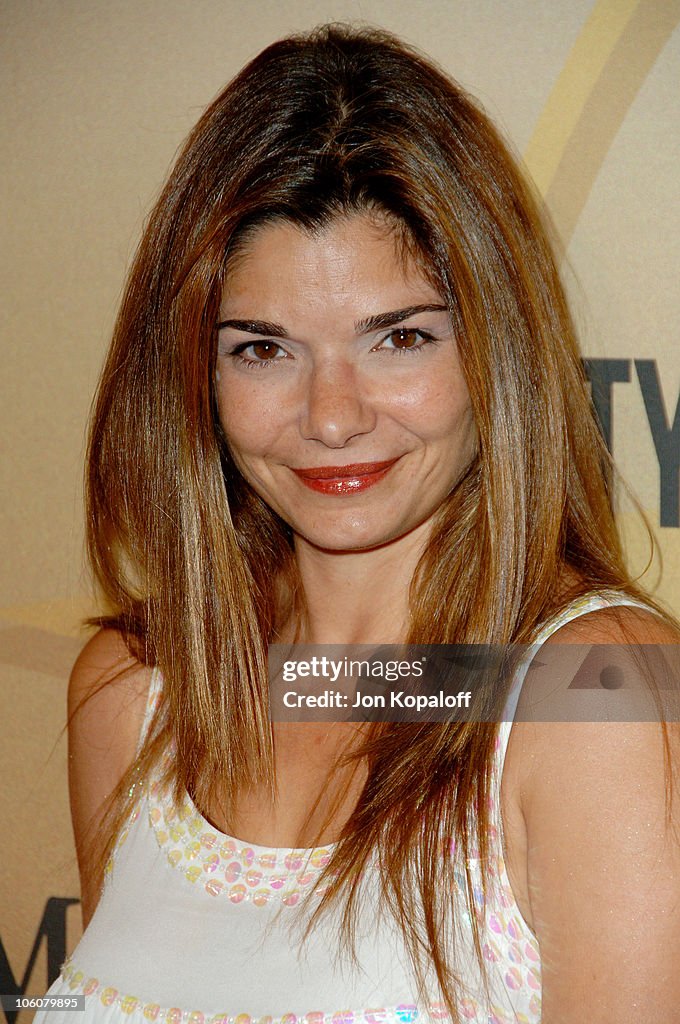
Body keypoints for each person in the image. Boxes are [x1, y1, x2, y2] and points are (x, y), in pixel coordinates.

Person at [37, 23, 679, 1024]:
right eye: (262, 349)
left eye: (399, 337)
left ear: (493, 350)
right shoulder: (135, 689)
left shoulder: (598, 698)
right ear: (194, 374)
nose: (331, 415)